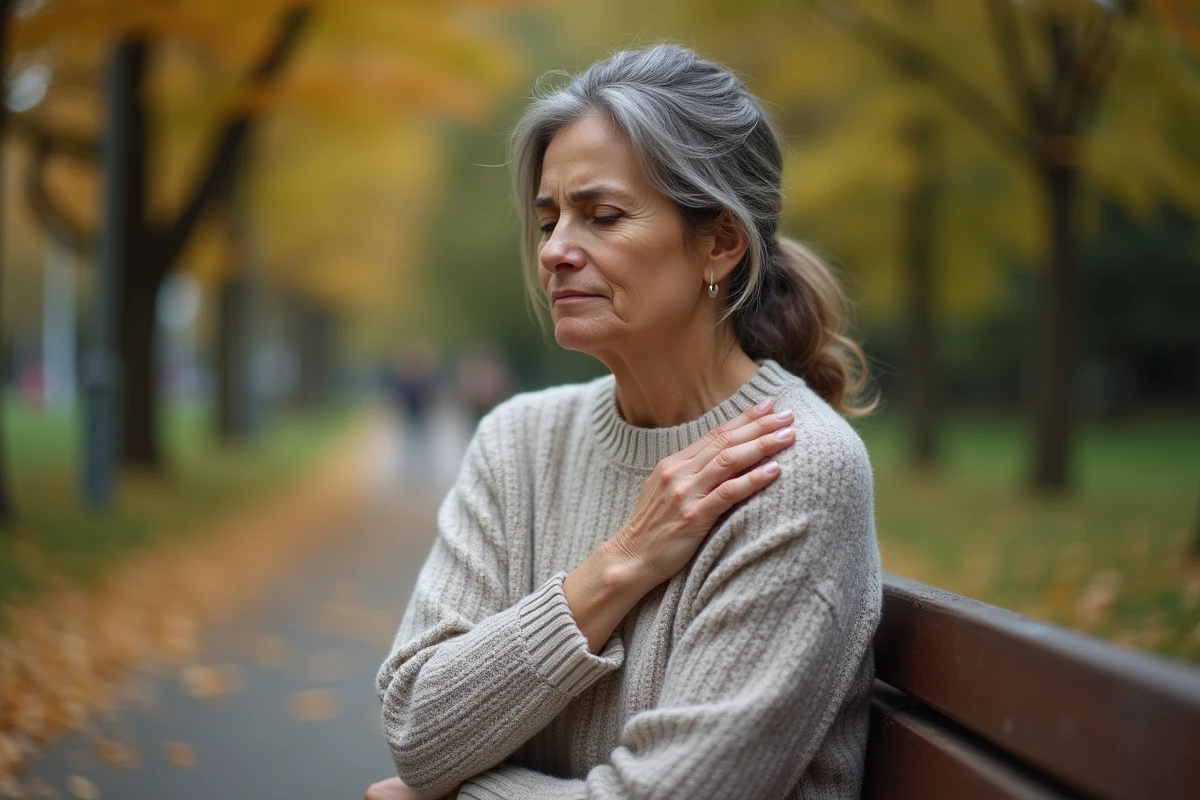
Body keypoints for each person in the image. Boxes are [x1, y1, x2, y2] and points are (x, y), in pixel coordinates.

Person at [368, 43, 881, 800]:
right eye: (548, 222)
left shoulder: (790, 470)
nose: (556, 253)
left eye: (600, 217)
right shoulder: (519, 441)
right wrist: (619, 566)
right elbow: (416, 725)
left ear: (721, 242)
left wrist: (451, 796)